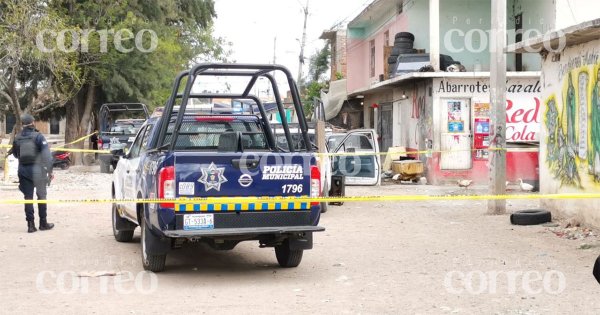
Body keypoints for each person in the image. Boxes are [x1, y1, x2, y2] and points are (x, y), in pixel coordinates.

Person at [12, 114, 55, 233]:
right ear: (33, 122)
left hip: (23, 171)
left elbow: (15, 154)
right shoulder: (39, 136)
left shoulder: (17, 137)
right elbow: (47, 156)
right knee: (41, 196)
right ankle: (43, 223)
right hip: (38, 171)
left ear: (22, 124)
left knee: (28, 198)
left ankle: (30, 225)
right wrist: (50, 171)